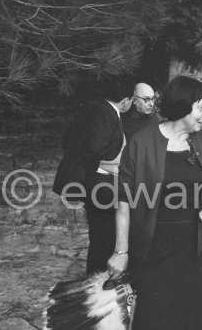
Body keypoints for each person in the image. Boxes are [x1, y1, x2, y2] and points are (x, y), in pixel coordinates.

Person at [107, 75, 202, 330]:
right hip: (153, 251)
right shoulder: (141, 143)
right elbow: (124, 202)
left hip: (194, 251)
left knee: (191, 320)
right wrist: (121, 252)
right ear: (183, 106)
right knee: (152, 319)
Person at [53, 77, 133, 276]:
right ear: (126, 100)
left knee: (99, 235)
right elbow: (95, 148)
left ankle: (96, 278)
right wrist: (107, 166)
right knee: (105, 236)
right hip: (100, 184)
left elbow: (68, 139)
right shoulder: (107, 114)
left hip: (93, 182)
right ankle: (98, 280)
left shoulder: (94, 109)